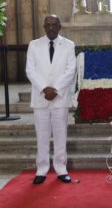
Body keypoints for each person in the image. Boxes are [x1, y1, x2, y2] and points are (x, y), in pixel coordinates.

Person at [26, 14, 77, 185]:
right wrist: (44, 88)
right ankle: (41, 169)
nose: (51, 28)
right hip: (41, 97)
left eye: (54, 24)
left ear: (60, 26)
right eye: (47, 25)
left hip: (59, 97)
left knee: (60, 133)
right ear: (43, 26)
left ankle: (61, 168)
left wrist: (56, 89)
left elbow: (71, 70)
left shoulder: (69, 45)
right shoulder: (34, 45)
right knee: (42, 134)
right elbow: (30, 70)